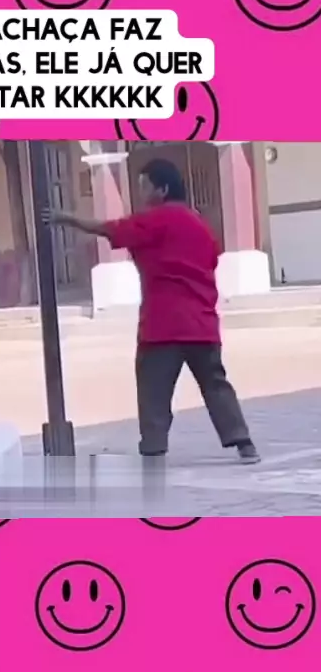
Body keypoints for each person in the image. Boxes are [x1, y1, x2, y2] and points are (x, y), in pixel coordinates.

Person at [42, 157, 260, 465]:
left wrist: (68, 219)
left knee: (153, 390)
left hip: (162, 325)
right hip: (202, 324)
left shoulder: (155, 220)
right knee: (216, 385)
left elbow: (111, 229)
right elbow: (211, 260)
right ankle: (244, 443)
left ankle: (154, 446)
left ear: (163, 189)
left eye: (145, 186)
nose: (141, 193)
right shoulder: (200, 226)